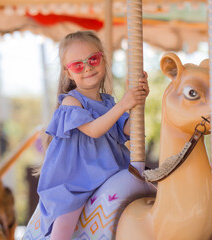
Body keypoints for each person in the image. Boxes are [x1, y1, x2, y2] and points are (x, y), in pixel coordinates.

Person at [37, 31, 149, 240]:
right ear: (68, 73)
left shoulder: (108, 103)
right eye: (77, 65)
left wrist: (138, 100)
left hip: (109, 174)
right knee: (65, 221)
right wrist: (124, 104)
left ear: (103, 61)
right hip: (75, 181)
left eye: (93, 59)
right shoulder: (71, 102)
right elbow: (94, 130)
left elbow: (134, 131)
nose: (87, 67)